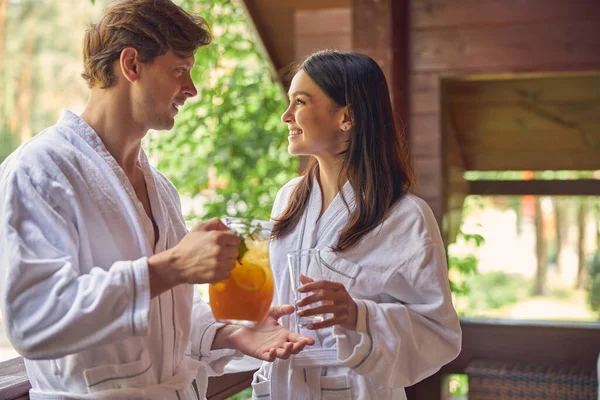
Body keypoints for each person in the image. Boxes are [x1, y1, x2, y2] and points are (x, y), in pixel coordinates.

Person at [0, 1, 314, 399]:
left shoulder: (159, 188)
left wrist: (229, 331)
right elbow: (33, 320)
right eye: (180, 69)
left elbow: (166, 309)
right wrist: (171, 266)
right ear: (131, 65)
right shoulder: (40, 171)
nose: (192, 89)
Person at [251, 50, 462, 400]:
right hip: (285, 384)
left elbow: (438, 333)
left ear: (346, 117)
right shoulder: (289, 199)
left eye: (300, 102)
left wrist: (357, 315)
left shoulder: (406, 217)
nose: (286, 116)